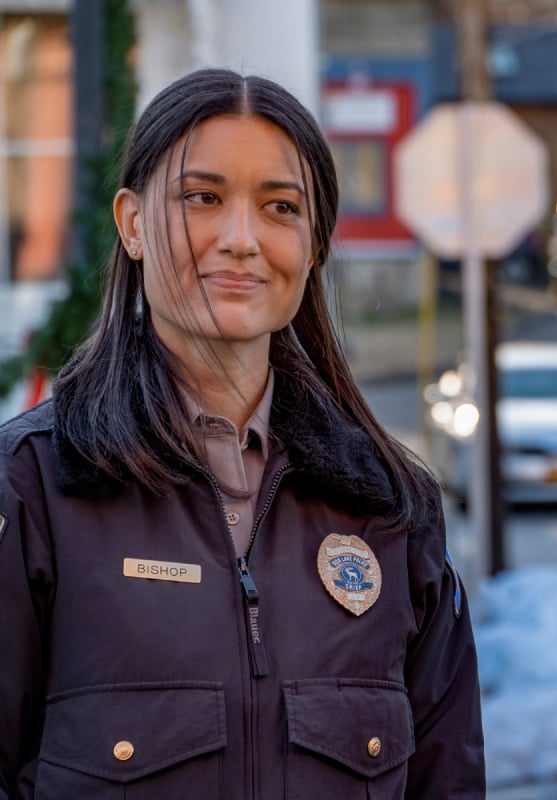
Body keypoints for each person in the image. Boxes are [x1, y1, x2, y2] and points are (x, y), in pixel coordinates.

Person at [0, 68, 485, 798]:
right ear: (131, 223)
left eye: (280, 207)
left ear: (314, 242)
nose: (241, 239)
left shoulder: (392, 507)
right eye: (203, 198)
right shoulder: (31, 487)